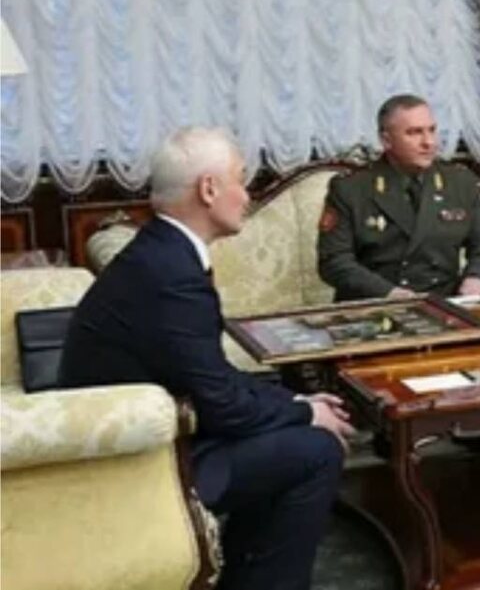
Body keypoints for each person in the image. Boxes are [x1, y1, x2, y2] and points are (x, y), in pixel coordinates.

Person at [59, 127, 355, 590]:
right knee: (317, 450)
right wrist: (305, 414)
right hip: (143, 461)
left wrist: (297, 403)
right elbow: (221, 402)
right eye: (242, 180)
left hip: (159, 432)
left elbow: (211, 376)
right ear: (209, 189)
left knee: (293, 426)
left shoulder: (162, 252)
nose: (248, 195)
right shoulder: (172, 273)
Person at [317, 94, 480, 301]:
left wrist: (475, 278)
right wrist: (389, 293)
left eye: (432, 130)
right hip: (378, 302)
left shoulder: (459, 182)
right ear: (386, 140)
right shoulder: (351, 188)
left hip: (443, 301)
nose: (428, 142)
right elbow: (334, 261)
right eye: (414, 133)